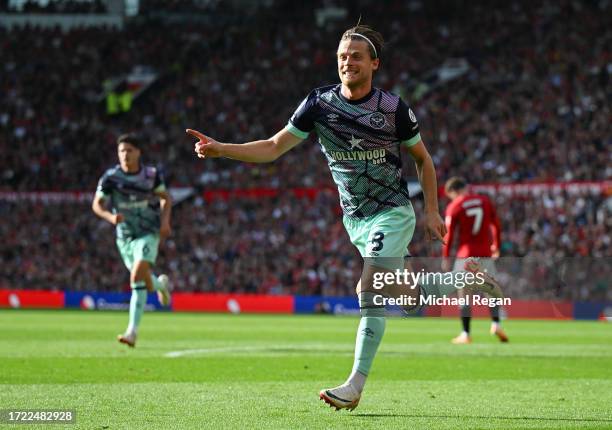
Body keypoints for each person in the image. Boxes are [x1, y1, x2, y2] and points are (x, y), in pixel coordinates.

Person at [187, 25, 501, 411]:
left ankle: (354, 385)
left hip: (392, 212)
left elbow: (423, 159)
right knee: (399, 294)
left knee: (369, 289)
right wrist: (223, 149)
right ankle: (465, 281)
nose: (347, 62)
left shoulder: (393, 109)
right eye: (341, 56)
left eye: (355, 56)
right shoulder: (319, 104)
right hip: (355, 219)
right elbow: (272, 147)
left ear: (374, 63)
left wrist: (432, 211)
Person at [92, 133, 172, 348]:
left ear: (139, 152)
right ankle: (161, 285)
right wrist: (110, 217)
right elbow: (97, 204)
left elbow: (166, 198)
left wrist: (165, 222)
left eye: (129, 150)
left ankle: (132, 332)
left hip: (148, 231)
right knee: (143, 281)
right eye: (121, 151)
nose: (125, 155)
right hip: (125, 237)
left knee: (137, 275)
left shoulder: (151, 175)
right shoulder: (111, 178)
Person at [442, 177, 509, 344]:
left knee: (464, 295)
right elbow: (496, 226)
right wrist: (496, 246)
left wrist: (446, 256)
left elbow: (449, 235)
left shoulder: (455, 206)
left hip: (466, 255)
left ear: (454, 191)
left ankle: (465, 333)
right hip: (485, 254)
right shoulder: (484, 201)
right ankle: (496, 324)